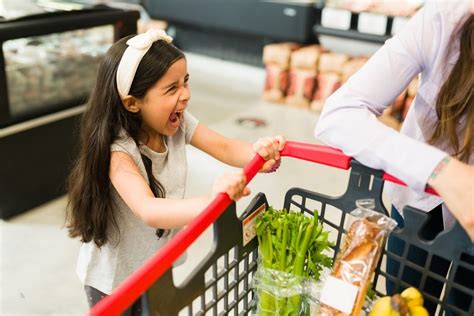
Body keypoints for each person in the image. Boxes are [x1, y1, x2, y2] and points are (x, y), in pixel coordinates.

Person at [66, 29, 285, 315]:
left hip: (157, 265)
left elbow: (224, 146)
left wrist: (259, 154)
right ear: (133, 103)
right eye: (172, 89)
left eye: (186, 82)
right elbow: (149, 210)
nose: (186, 95)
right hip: (115, 281)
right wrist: (213, 200)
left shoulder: (177, 125)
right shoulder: (118, 152)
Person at [314, 0, 473, 314]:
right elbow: (339, 115)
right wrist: (439, 169)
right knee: (405, 302)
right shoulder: (444, 20)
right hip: (418, 207)